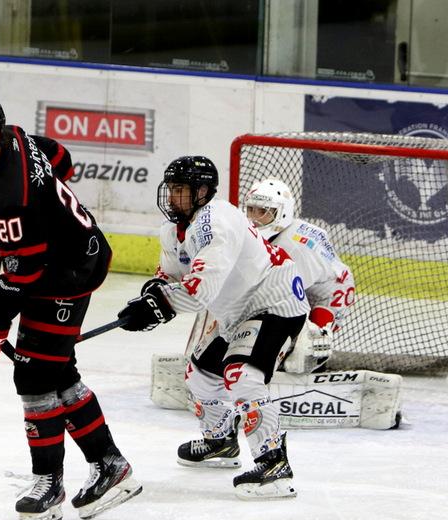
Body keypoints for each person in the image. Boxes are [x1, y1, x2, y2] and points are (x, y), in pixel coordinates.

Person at [0, 93, 142, 520]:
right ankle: (110, 465)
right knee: (54, 370)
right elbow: (61, 156)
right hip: (64, 259)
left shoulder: (8, 191)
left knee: (34, 374)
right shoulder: (16, 138)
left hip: (67, 272)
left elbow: (22, 269)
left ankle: (49, 482)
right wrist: (50, 206)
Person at [116, 156, 309, 499]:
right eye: (171, 189)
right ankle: (221, 442)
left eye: (181, 190)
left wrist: (157, 307)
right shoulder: (174, 229)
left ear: (202, 192)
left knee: (242, 375)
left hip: (274, 300)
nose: (173, 197)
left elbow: (198, 293)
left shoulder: (216, 221)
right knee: (201, 374)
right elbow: (171, 277)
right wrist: (152, 294)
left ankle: (274, 465)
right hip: (238, 310)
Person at [241, 178, 356, 373]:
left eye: (262, 211)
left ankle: (315, 363)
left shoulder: (294, 248)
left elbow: (288, 300)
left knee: (300, 358)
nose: (254, 218)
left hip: (330, 294)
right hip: (309, 283)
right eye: (251, 209)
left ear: (282, 212)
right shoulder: (277, 234)